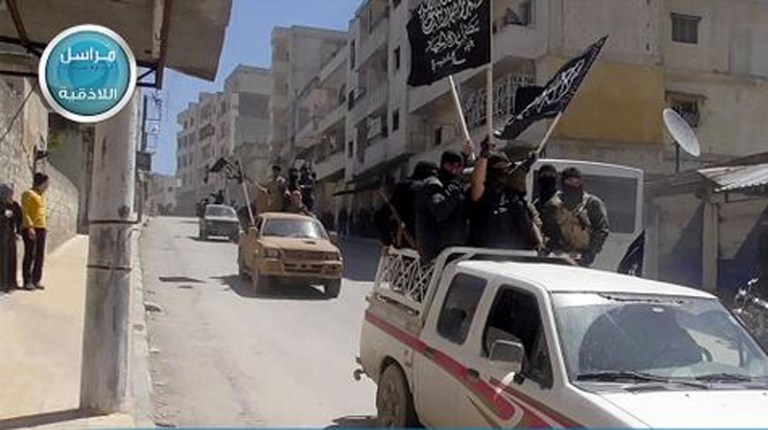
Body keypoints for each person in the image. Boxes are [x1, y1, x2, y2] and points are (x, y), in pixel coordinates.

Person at [468, 144, 542, 251]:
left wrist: (538, 240)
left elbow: (528, 220)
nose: (503, 171)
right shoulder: (483, 194)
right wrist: (483, 156)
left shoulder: (513, 196)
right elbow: (477, 182)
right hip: (486, 258)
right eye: (499, 167)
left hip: (519, 256)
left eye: (505, 167)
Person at [544, 167, 610, 267]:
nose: (574, 185)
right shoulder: (554, 204)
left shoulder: (592, 203)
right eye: (569, 181)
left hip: (582, 255)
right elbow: (547, 229)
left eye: (577, 181)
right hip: (559, 255)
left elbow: (601, 230)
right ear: (563, 182)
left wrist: (590, 254)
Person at [414, 150, 469, 261]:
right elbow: (440, 210)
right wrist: (454, 187)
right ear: (443, 165)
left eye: (458, 166)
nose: (454, 170)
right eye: (450, 166)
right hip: (437, 253)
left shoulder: (456, 186)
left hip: (455, 251)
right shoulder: (433, 184)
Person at [21, 173, 50, 290]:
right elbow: (26, 212)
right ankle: (27, 281)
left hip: (41, 228)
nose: (47, 186)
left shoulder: (41, 195)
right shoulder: (28, 194)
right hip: (31, 228)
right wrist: (30, 227)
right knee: (30, 254)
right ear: (41, 182)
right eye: (46, 183)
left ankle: (36, 279)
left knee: (40, 255)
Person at [1, 183, 22, 293]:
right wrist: (4, 215)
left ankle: (11, 283)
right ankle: (3, 284)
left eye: (11, 192)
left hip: (10, 236)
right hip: (1, 236)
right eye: (8, 192)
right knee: (2, 260)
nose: (10, 195)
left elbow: (19, 219)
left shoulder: (14, 205)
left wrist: (18, 232)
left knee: (11, 259)